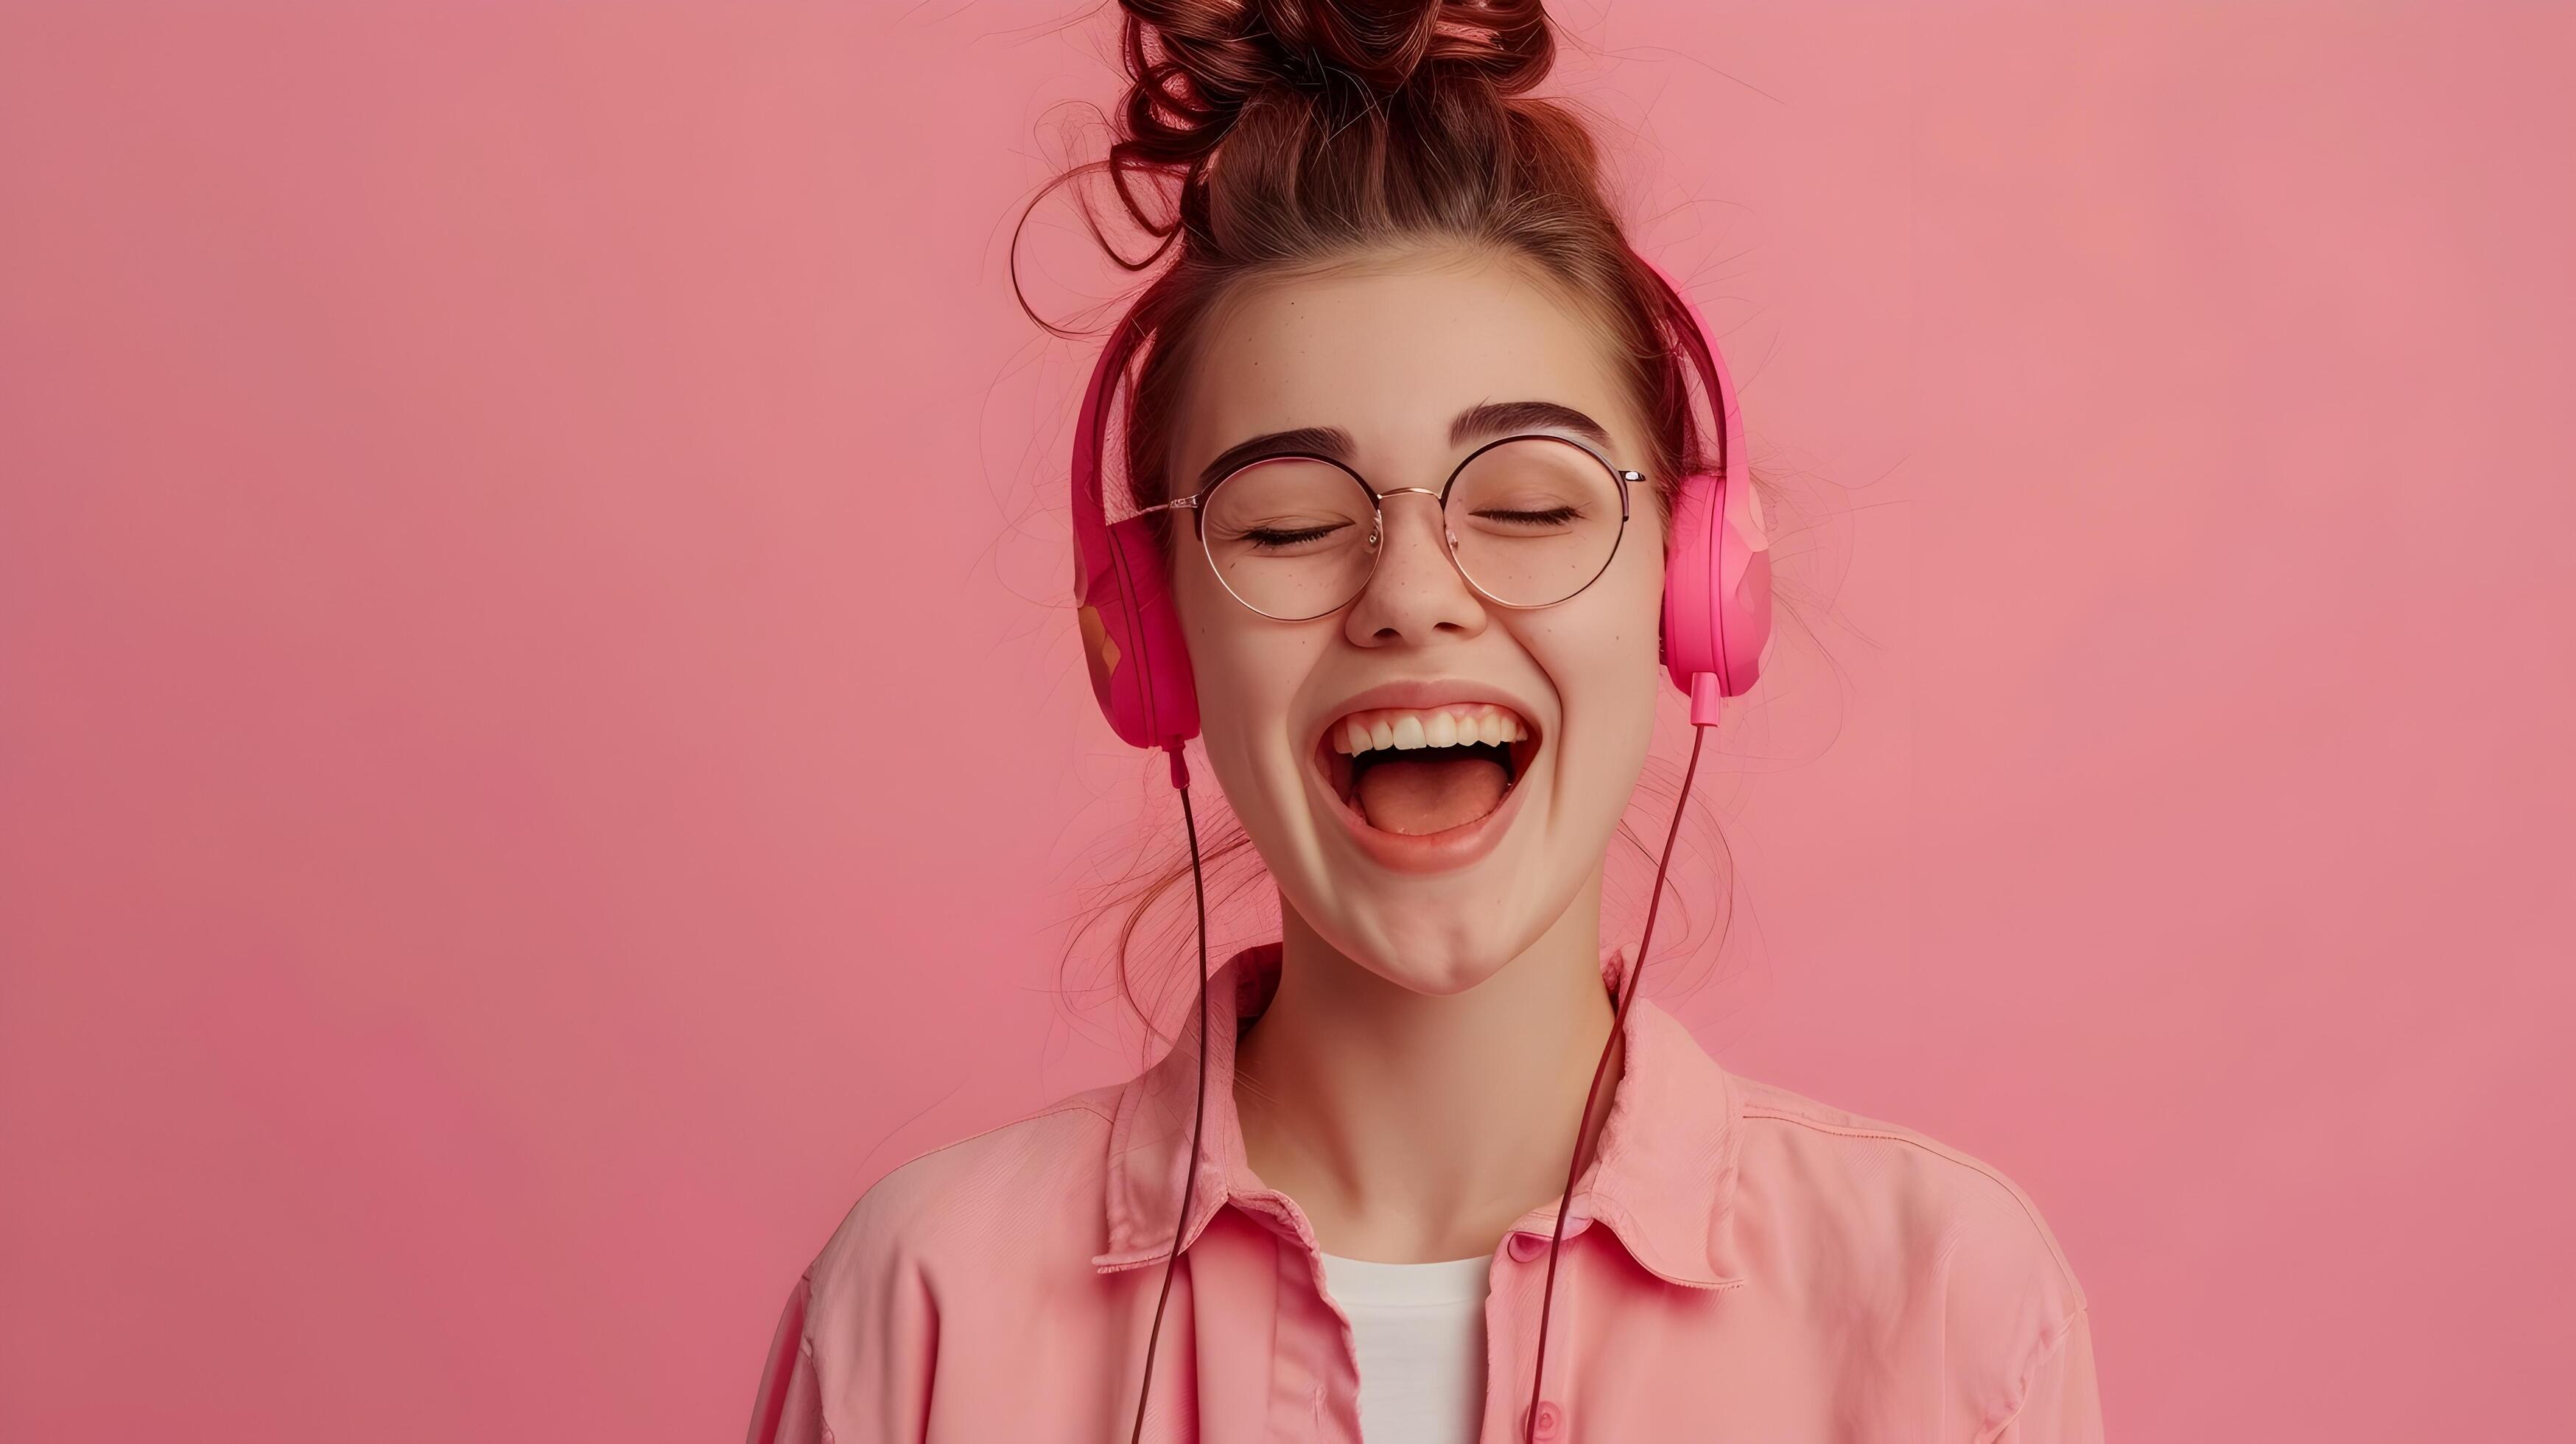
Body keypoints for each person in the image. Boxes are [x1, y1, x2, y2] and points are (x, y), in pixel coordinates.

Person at [748, 2, 2102, 1440]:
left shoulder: (1941, 1308)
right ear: (1151, 636)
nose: (1411, 595)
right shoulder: (922, 1307)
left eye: (1527, 502)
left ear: (1694, 583)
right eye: (1284, 525)